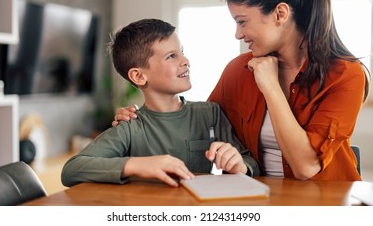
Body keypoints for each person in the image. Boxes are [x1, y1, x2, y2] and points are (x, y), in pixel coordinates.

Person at [112, 0, 370, 181]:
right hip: (254, 200)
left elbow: (306, 167)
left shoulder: (346, 75)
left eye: (242, 21)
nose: (237, 34)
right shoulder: (238, 70)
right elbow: (197, 126)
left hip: (326, 203)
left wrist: (270, 87)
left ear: (280, 14)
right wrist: (141, 121)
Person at [61, 18, 259, 188]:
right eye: (172, 56)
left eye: (182, 52)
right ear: (138, 76)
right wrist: (139, 165)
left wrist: (239, 165)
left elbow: (250, 162)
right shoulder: (131, 126)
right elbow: (71, 170)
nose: (185, 61)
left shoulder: (209, 114)